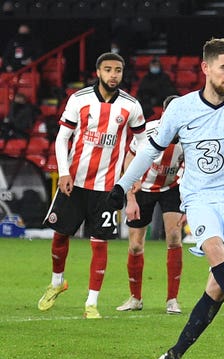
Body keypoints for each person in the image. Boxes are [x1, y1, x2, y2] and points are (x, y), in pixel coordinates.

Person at [106, 37, 224, 359]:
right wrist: (122, 186)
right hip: (199, 198)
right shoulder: (182, 109)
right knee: (216, 252)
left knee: (217, 287)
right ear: (206, 68)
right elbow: (148, 151)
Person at [37, 52, 146, 318]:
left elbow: (143, 142)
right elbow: (62, 138)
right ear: (98, 72)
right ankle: (56, 283)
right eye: (108, 69)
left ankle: (91, 303)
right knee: (60, 235)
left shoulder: (131, 106)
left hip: (108, 187)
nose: (113, 75)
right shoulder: (79, 99)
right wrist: (64, 173)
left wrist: (131, 175)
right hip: (74, 182)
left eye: (118, 70)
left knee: (100, 243)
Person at [117, 95, 184, 315]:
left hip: (171, 188)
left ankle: (172, 300)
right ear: (164, 113)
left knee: (174, 239)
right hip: (142, 189)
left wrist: (188, 205)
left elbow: (194, 169)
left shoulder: (191, 135)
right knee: (136, 245)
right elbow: (129, 159)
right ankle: (135, 298)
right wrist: (130, 198)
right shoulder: (146, 132)